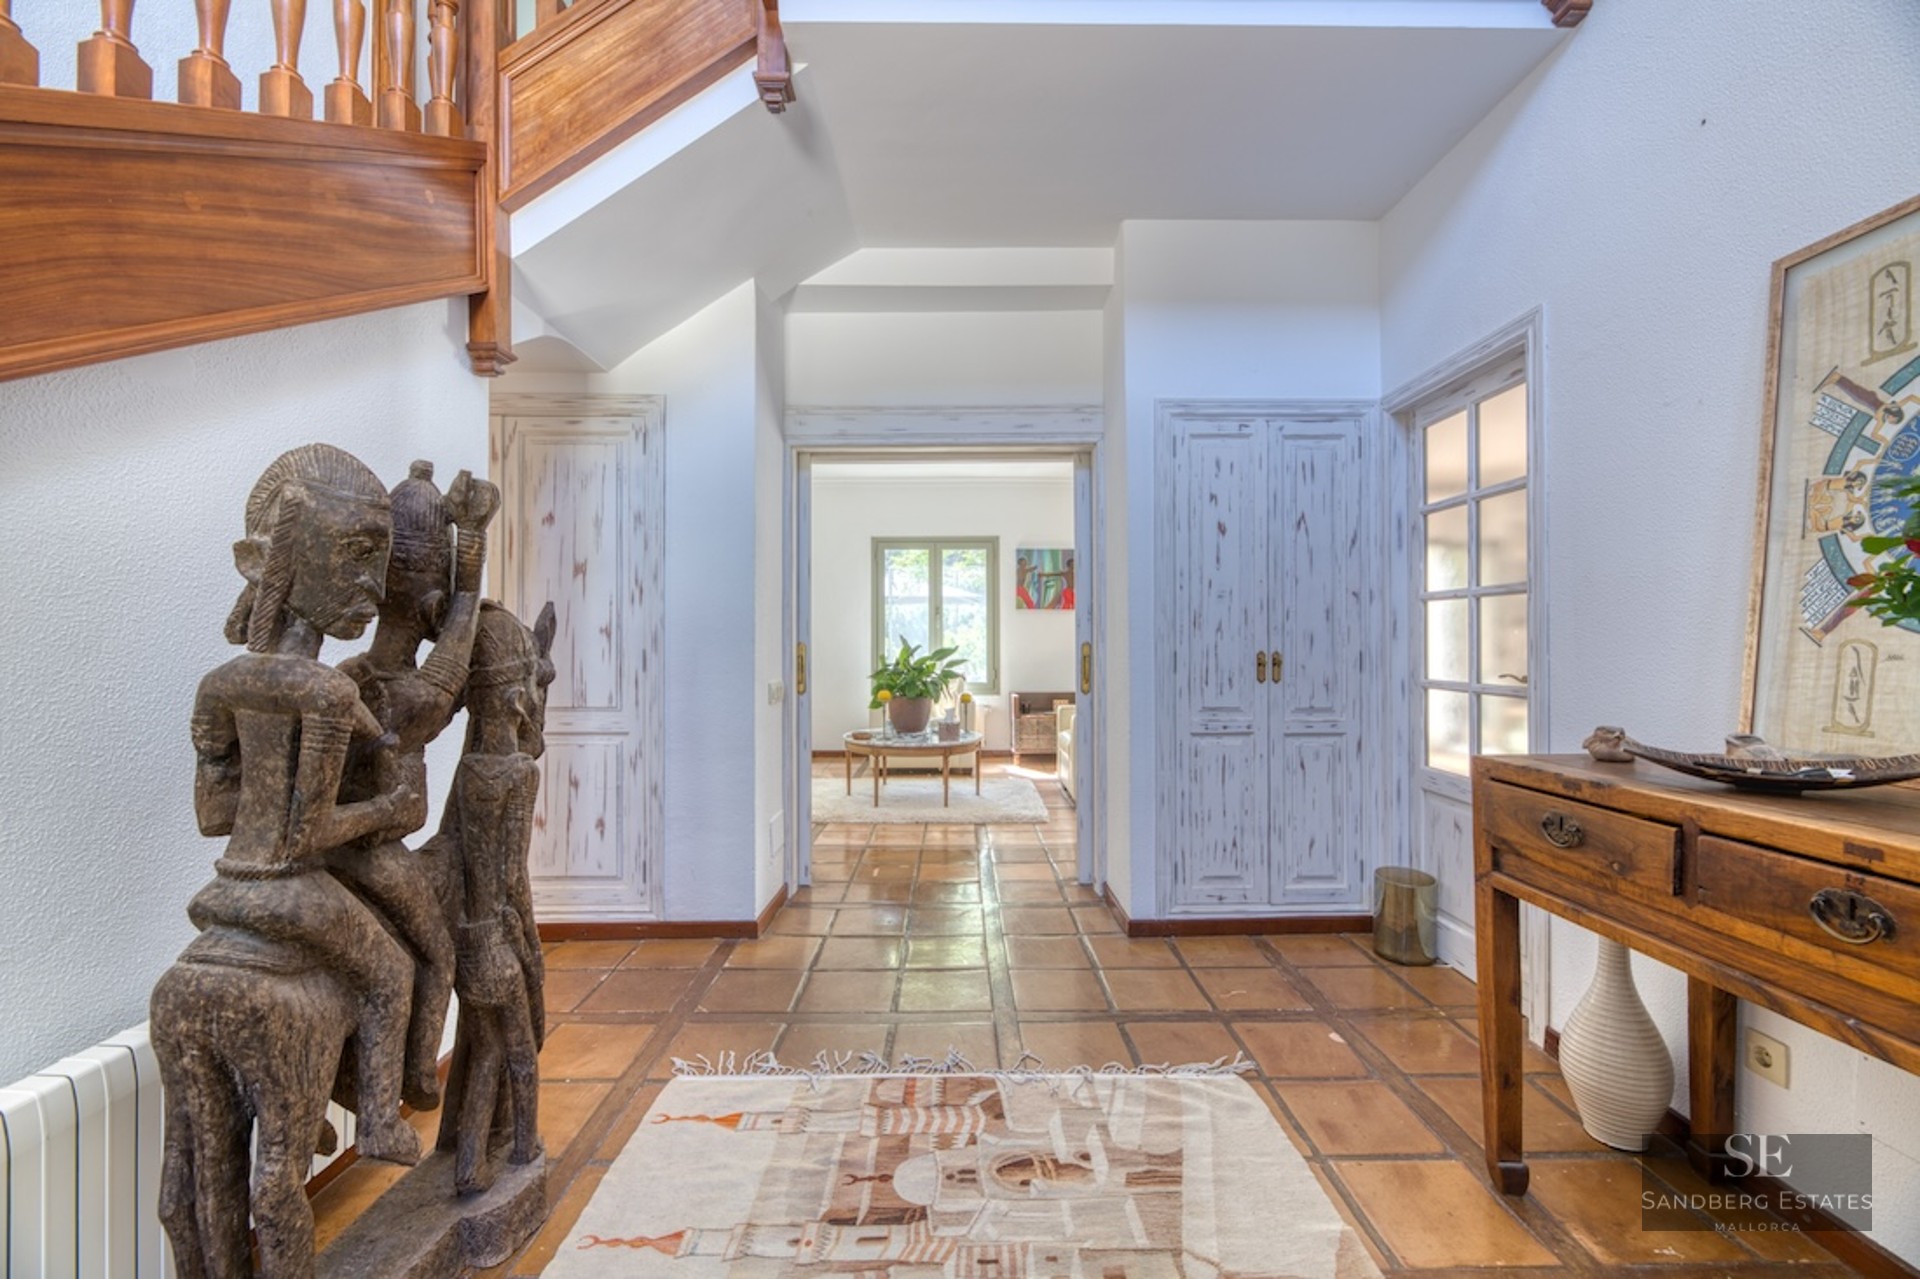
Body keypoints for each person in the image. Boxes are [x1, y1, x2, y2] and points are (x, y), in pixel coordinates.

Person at [186, 443, 424, 1166]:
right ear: (281, 557)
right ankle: (381, 1120)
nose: (372, 587)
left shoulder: (221, 680)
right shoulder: (325, 690)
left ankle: (308, 1094)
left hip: (225, 883)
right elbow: (308, 835)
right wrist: (389, 806)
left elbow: (213, 814)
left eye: (377, 562)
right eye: (354, 556)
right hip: (285, 891)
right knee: (392, 974)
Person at [331, 460, 499, 1111]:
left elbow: (450, 624)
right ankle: (412, 1081)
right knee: (436, 956)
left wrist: (459, 539)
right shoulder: (411, 695)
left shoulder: (351, 669)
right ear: (426, 607)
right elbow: (458, 638)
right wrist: (472, 538)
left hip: (333, 851)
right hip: (374, 853)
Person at [430, 601, 556, 1193]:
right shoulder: (517, 776)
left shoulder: (468, 773)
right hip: (502, 938)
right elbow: (512, 878)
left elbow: (456, 854)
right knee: (521, 1048)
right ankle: (523, 1143)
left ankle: (466, 1163)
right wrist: (529, 947)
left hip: (467, 937)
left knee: (481, 1054)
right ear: (515, 700)